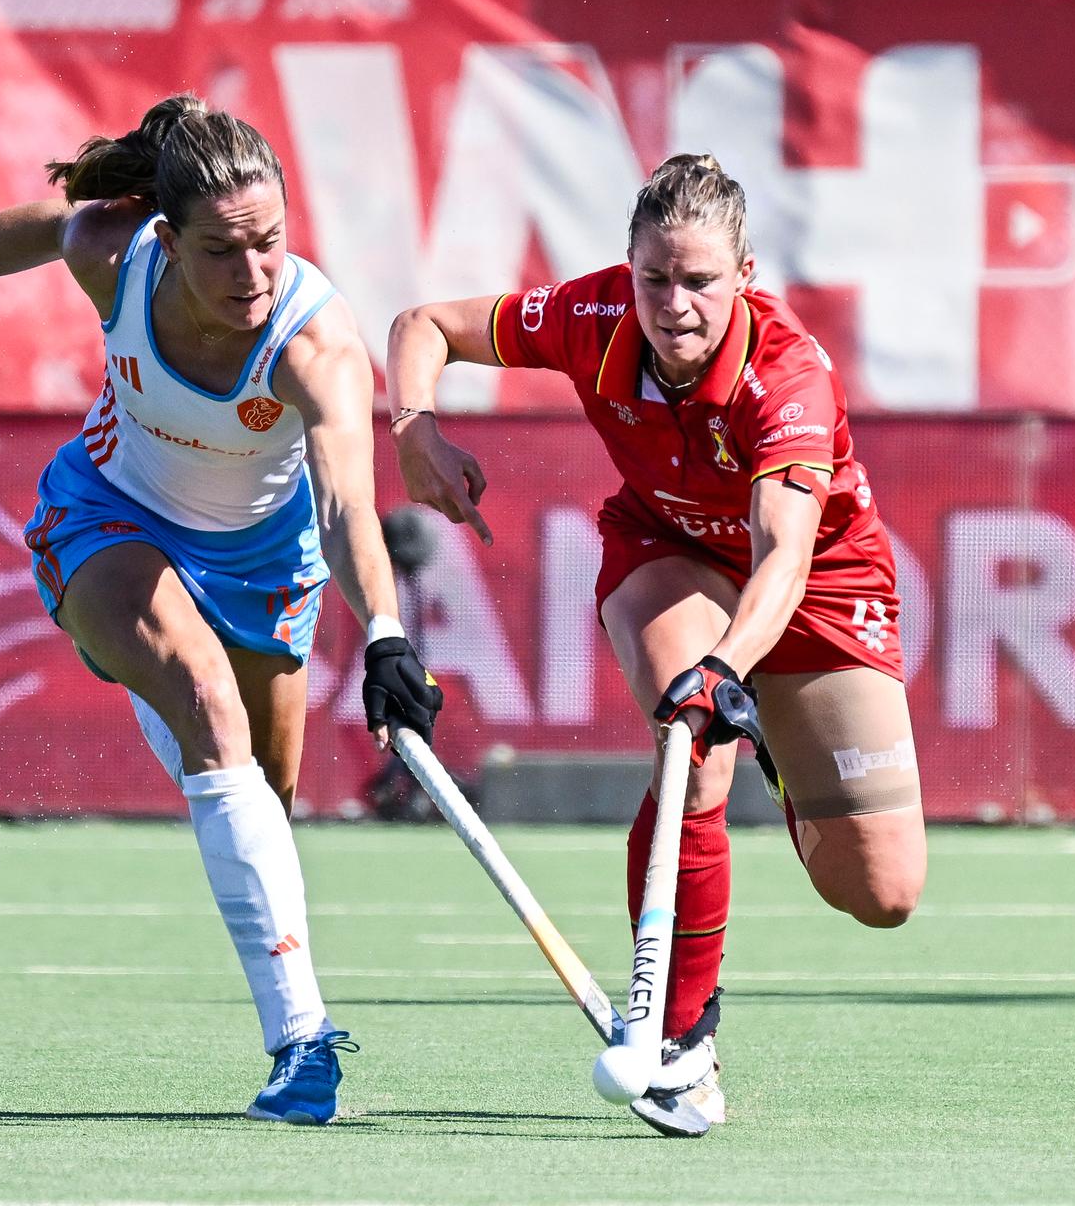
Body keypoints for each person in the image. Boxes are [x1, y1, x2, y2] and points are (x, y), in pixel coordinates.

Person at [0, 95, 442, 1126]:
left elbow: (350, 498)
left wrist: (388, 633)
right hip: (111, 513)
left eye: (268, 243)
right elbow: (49, 225)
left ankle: (173, 691)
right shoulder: (116, 254)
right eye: (222, 251)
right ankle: (304, 1043)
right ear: (168, 241)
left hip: (265, 560)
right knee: (209, 711)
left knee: (262, 797)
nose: (253, 274)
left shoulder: (316, 346)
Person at [385, 154, 926, 1130]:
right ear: (628, 268)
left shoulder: (786, 375)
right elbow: (423, 324)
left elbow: (785, 556)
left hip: (817, 584)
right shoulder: (590, 319)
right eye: (654, 277)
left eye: (701, 280)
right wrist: (414, 425)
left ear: (746, 275)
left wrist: (730, 666)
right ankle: (680, 1037)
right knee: (691, 748)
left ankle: (778, 751)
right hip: (667, 550)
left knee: (882, 891)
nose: (673, 305)